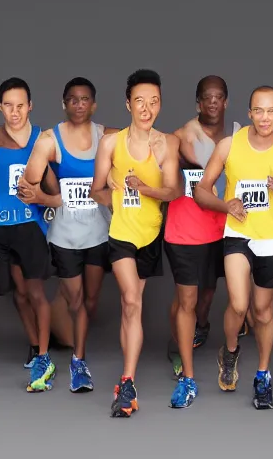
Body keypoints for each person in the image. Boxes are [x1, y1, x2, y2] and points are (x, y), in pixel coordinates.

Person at [193, 85, 273, 410]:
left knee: (263, 311)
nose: (265, 117)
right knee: (239, 304)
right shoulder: (230, 146)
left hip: (272, 238)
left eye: (271, 110)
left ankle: (262, 374)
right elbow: (200, 191)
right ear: (249, 113)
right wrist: (224, 205)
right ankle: (230, 351)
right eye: (258, 110)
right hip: (238, 233)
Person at [91, 69, 180, 417]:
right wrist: (113, 196)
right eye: (140, 101)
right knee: (130, 300)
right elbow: (96, 189)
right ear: (128, 103)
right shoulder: (111, 144)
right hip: (122, 234)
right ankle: (127, 382)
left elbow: (172, 191)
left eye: (153, 101)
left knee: (135, 306)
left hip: (151, 234)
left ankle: (127, 379)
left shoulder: (167, 143)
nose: (147, 108)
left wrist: (145, 185)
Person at [21, 77, 113, 393]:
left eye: (85, 99)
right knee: (76, 300)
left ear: (94, 104)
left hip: (100, 233)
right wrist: (51, 198)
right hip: (65, 236)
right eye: (72, 99)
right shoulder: (50, 140)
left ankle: (72, 344)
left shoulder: (107, 137)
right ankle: (78, 361)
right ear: (64, 103)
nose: (78, 104)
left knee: (90, 300)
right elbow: (26, 185)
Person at [0, 77, 57, 392]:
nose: (15, 111)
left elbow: (55, 193)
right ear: (0, 107)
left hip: (30, 228)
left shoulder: (41, 140)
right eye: (8, 105)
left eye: (20, 105)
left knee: (36, 293)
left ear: (30, 106)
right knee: (18, 294)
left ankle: (45, 356)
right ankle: (36, 346)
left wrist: (40, 199)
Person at [163, 76, 230, 407]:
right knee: (186, 298)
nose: (213, 102)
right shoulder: (180, 138)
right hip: (184, 231)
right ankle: (181, 356)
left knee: (208, 292)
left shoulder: (236, 138)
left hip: (221, 229)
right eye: (207, 97)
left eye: (219, 97)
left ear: (226, 102)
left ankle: (199, 326)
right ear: (198, 103)